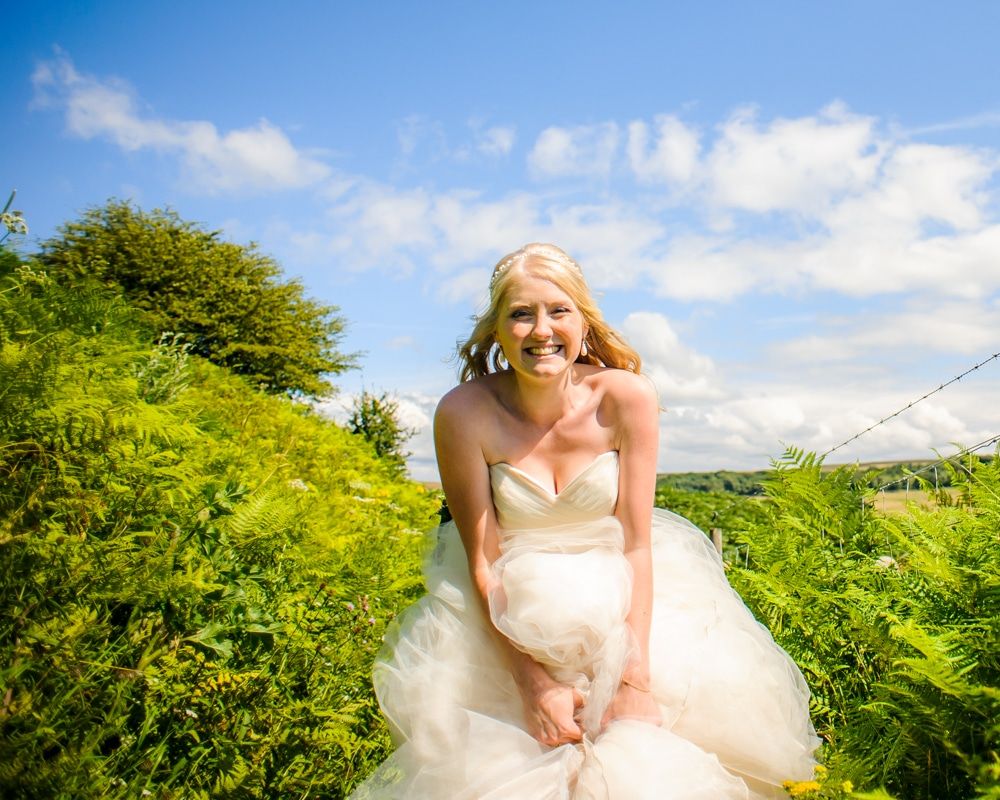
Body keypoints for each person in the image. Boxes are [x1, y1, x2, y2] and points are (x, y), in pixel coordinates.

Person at [352, 244, 820, 799]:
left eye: (558, 311)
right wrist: (532, 685)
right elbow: (483, 556)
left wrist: (633, 678)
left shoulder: (626, 399)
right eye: (521, 313)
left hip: (623, 612)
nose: (541, 330)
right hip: (505, 619)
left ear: (583, 322)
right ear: (497, 330)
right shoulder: (463, 413)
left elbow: (637, 545)